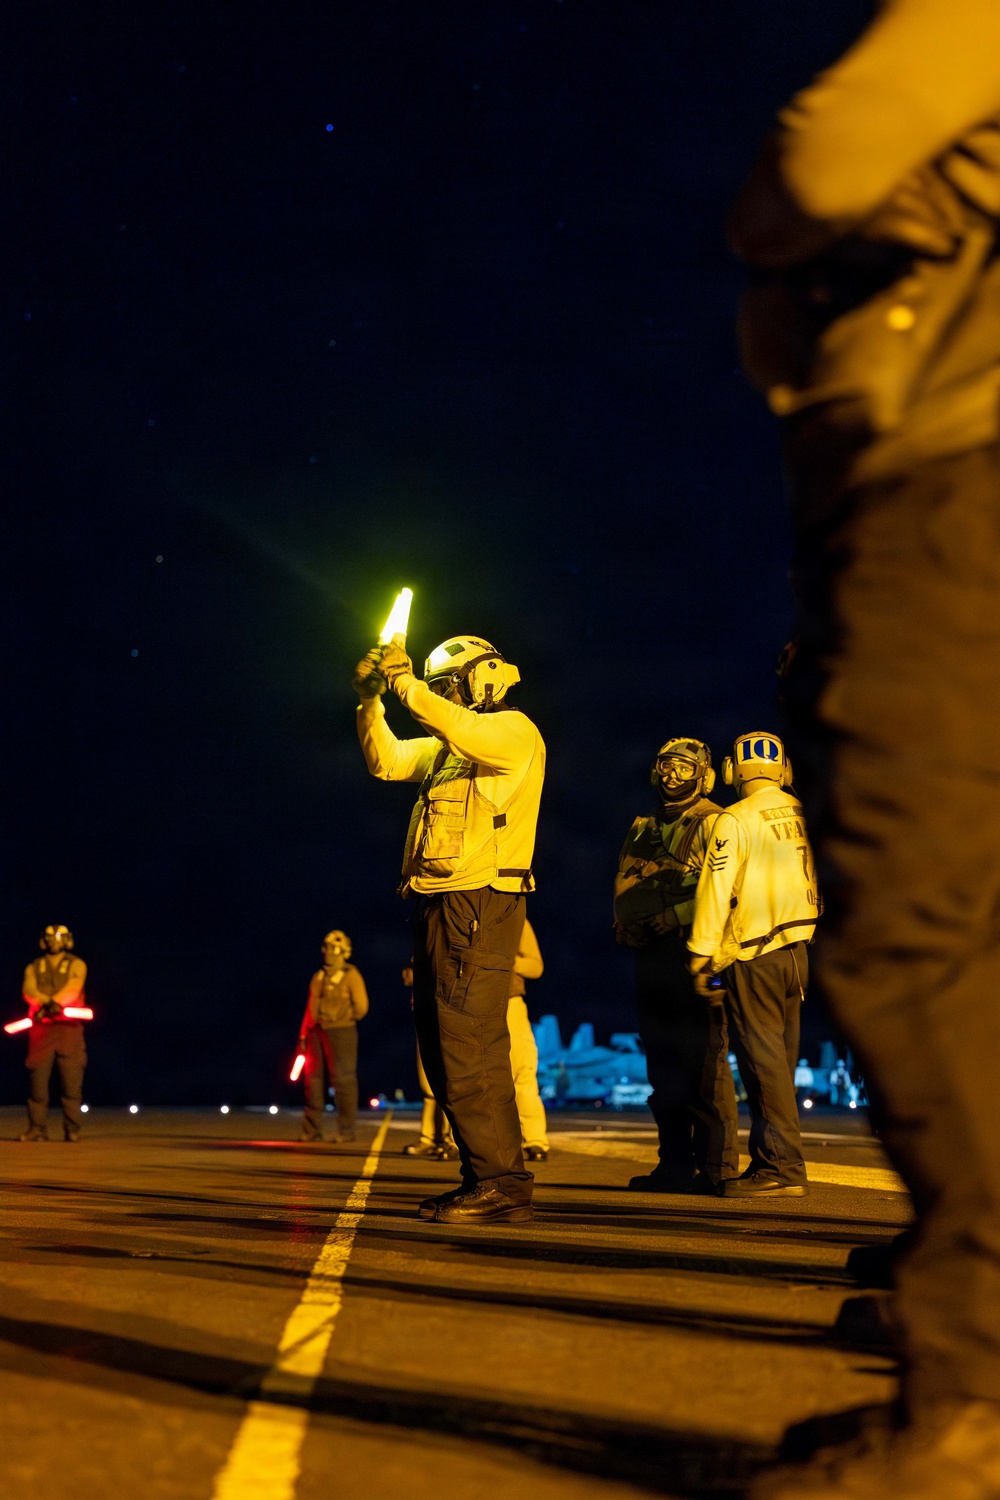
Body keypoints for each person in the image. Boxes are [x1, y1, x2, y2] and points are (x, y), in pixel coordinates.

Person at [728, 5, 1000, 1493]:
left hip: (957, 481)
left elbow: (811, 170)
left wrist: (810, 219)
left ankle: (978, 1402)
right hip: (936, 481)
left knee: (920, 927)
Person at [354, 631, 545, 1225]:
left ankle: (500, 1182)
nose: (440, 698)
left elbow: (457, 725)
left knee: (468, 1042)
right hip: (440, 903)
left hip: (478, 902)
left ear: (480, 679)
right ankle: (488, 1176)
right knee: (445, 1047)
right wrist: (370, 702)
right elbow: (386, 762)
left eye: (448, 686)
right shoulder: (448, 749)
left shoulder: (513, 731)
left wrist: (405, 685)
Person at [687, 733, 818, 1198]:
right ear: (782, 768)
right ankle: (776, 1161)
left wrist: (702, 949)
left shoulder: (734, 819)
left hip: (755, 954)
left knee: (762, 1065)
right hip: (798, 953)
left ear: (731, 770)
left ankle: (781, 1167)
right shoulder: (804, 811)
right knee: (782, 1062)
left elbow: (716, 886)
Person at [613, 738, 738, 1193]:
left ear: (703, 775)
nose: (671, 775)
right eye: (665, 765)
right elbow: (628, 880)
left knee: (703, 1064)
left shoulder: (715, 822)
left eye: (683, 768)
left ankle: (716, 1168)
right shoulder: (644, 825)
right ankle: (674, 1165)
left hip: (695, 957)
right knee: (662, 1067)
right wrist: (623, 924)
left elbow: (727, 890)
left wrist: (670, 917)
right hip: (650, 958)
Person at [297, 930, 369, 1143]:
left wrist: (343, 1018)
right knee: (313, 1080)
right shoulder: (318, 976)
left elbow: (362, 1007)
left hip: (342, 1031)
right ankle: (312, 1130)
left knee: (344, 1080)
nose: (328, 953)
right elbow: (309, 1009)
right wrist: (303, 1035)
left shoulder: (351, 975)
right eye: (326, 948)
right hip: (316, 1032)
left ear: (342, 952)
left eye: (333, 950)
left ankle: (346, 1131)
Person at [19, 925, 88, 1143]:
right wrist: (45, 1003)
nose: (54, 942)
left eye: (59, 938)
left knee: (71, 1082)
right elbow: (29, 989)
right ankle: (37, 1128)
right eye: (49, 938)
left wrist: (57, 1002)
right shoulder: (34, 966)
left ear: (67, 940)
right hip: (41, 1031)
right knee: (37, 1082)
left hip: (69, 1030)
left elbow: (74, 987)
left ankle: (72, 1128)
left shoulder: (77, 964)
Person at [401, 963, 457, 1160]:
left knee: (449, 1080)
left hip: (446, 1006)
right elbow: (408, 977)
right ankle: (430, 1138)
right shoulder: (425, 938)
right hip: (425, 1009)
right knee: (428, 1085)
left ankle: (451, 1141)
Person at [507, 917, 549, 1163]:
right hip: (467, 1004)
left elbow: (535, 966)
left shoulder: (515, 917)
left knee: (522, 1073)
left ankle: (534, 1140)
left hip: (509, 1001)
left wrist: (504, 960)